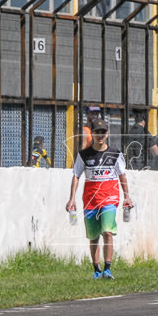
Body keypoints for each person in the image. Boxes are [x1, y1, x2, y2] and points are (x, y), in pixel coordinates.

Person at [65, 119, 133, 280]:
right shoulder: (84, 155)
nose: (100, 136)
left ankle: (107, 269)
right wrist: (71, 199)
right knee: (94, 235)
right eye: (97, 132)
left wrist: (127, 196)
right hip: (90, 199)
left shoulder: (115, 154)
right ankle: (96, 270)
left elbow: (122, 175)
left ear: (107, 134)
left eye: (103, 132)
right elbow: (76, 176)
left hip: (110, 197)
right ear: (93, 134)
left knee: (107, 232)